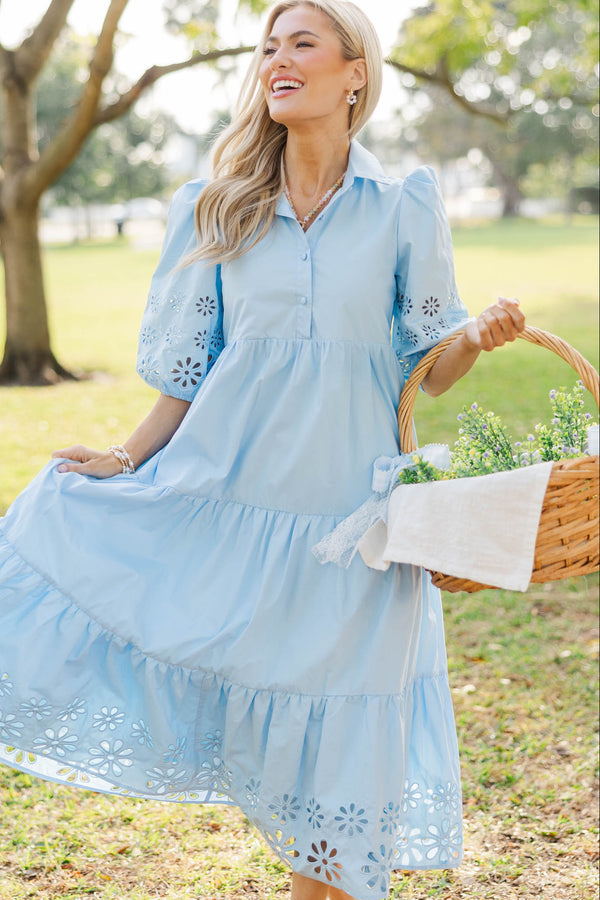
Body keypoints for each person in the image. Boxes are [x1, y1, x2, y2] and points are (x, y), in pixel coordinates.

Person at [0, 2, 525, 898]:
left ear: (355, 72)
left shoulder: (404, 204)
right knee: (286, 764)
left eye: (302, 44)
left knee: (342, 788)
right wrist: (125, 458)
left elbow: (430, 373)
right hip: (232, 507)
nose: (278, 59)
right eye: (270, 46)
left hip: (355, 527)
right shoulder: (218, 206)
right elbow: (189, 375)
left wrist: (475, 336)